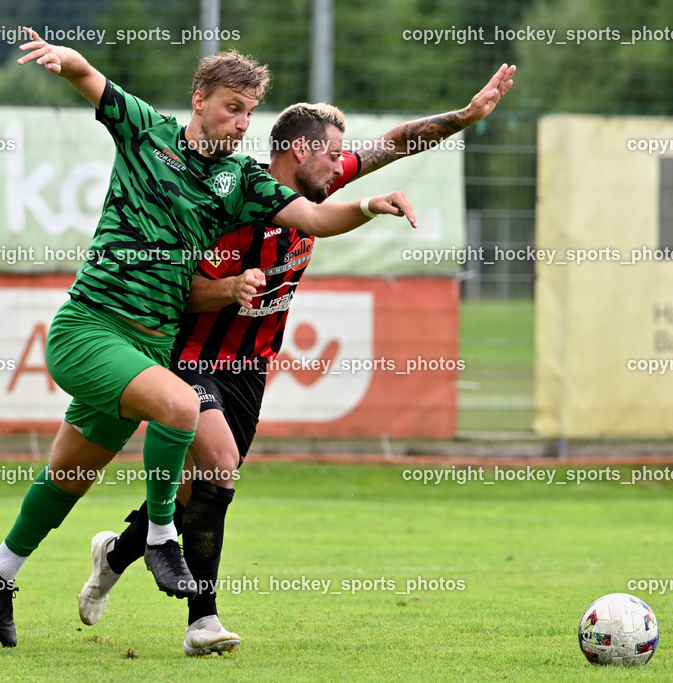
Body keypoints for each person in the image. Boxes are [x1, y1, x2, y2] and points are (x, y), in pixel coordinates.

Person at [0, 28, 419, 649]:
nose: (241, 123)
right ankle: (160, 538)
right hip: (90, 327)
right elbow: (89, 79)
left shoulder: (240, 181)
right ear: (199, 99)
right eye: (232, 107)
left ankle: (0, 567)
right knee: (181, 406)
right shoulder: (146, 132)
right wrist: (66, 59)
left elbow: (315, 217)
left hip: (150, 347)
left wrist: (368, 206)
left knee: (69, 475)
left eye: (250, 112)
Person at [76, 65, 516, 656]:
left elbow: (391, 145)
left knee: (201, 492)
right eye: (333, 157)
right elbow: (174, 293)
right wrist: (228, 289)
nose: (341, 167)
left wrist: (465, 116)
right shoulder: (234, 198)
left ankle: (116, 554)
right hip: (189, 356)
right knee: (219, 465)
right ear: (301, 152)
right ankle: (202, 622)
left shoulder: (315, 188)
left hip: (248, 371)